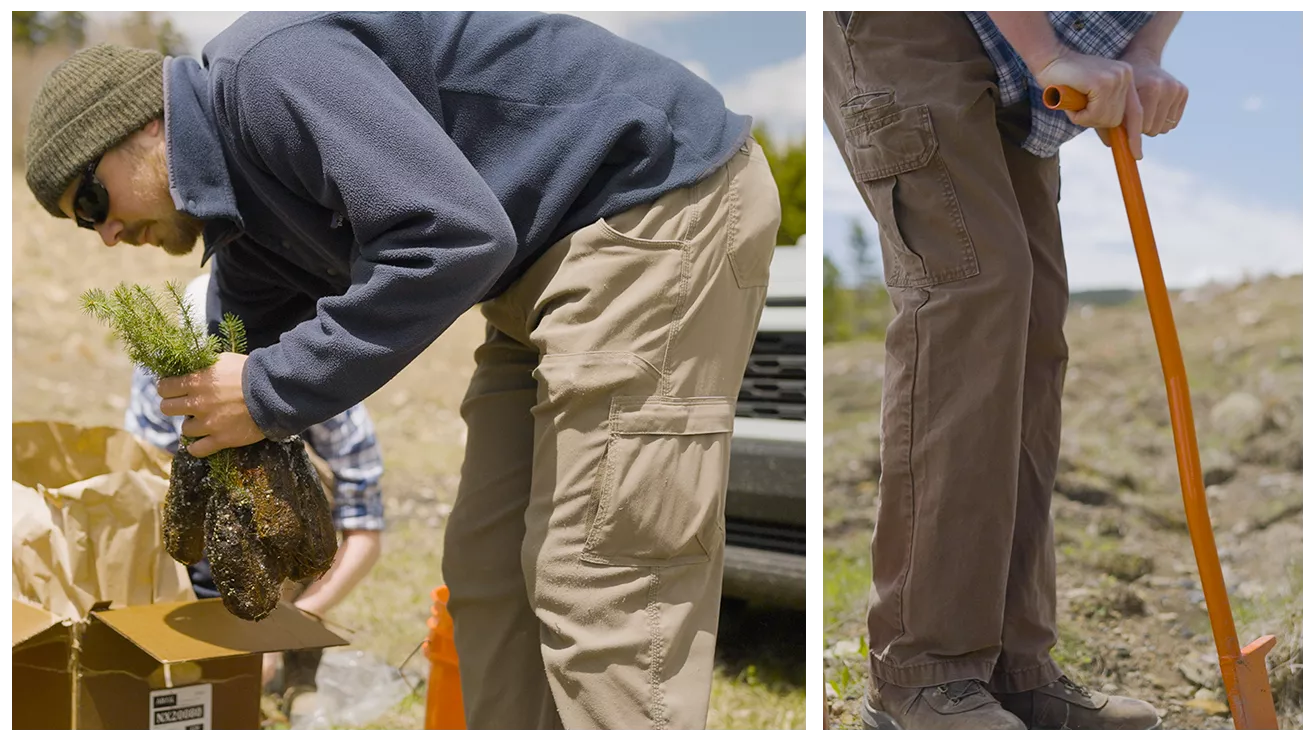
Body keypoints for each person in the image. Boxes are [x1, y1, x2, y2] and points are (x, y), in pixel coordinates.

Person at [25, 9, 780, 732]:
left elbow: (454, 237)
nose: (108, 234)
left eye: (93, 200)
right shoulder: (244, 229)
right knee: (487, 580)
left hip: (652, 204)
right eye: (83, 222)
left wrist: (263, 391)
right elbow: (251, 356)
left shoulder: (268, 72)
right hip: (533, 271)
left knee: (601, 579)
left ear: (147, 127)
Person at [819, 9, 1187, 733]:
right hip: (909, 25)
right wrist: (1047, 52)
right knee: (973, 292)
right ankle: (921, 672)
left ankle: (1016, 670)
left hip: (1015, 51)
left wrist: (1145, 51)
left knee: (1030, 326)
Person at [122, 268, 385, 715]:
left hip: (291, 568)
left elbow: (365, 532)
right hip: (198, 572)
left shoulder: (319, 393)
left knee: (290, 472)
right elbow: (135, 490)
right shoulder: (162, 386)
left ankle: (298, 673)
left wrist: (289, 629)